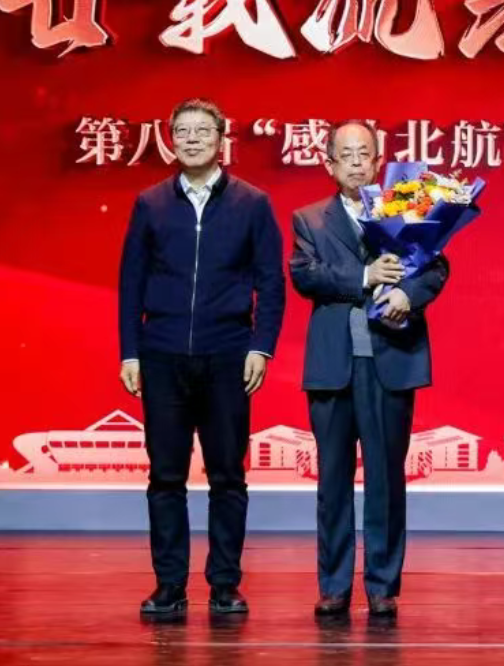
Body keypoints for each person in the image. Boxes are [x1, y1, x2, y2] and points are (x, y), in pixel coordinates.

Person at [118, 98, 286, 617]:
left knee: (227, 476)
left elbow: (270, 282)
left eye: (202, 131)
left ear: (221, 139)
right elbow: (131, 282)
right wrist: (130, 352)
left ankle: (225, 584)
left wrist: (261, 345)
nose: (191, 139)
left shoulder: (251, 203)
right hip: (162, 355)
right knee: (165, 476)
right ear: (171, 139)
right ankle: (169, 585)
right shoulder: (151, 203)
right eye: (182, 131)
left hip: (228, 355)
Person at [290, 120, 450, 618]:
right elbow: (305, 275)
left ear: (380, 161)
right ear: (329, 164)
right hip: (333, 365)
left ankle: (382, 584)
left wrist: (408, 294)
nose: (357, 163)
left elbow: (437, 267)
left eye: (366, 154)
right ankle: (334, 585)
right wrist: (365, 275)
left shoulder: (405, 207)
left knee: (385, 479)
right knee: (332, 480)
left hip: (390, 361)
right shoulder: (309, 219)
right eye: (347, 154)